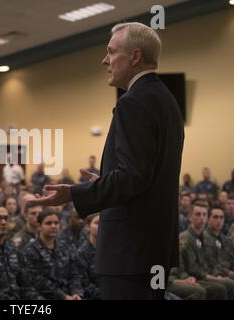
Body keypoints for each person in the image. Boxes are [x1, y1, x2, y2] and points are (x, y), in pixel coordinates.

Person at [28, 22, 184, 299]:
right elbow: (145, 175)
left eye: (111, 52)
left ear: (135, 56)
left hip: (129, 250)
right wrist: (105, 182)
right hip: (153, 246)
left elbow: (133, 177)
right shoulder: (165, 100)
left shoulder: (133, 101)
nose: (105, 60)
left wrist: (74, 193)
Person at [21, 210, 83, 300]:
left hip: (70, 295)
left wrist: (76, 293)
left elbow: (75, 273)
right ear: (39, 226)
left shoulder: (65, 246)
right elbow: (39, 281)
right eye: (48, 223)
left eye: (56, 223)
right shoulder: (30, 250)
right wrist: (64, 297)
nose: (53, 226)